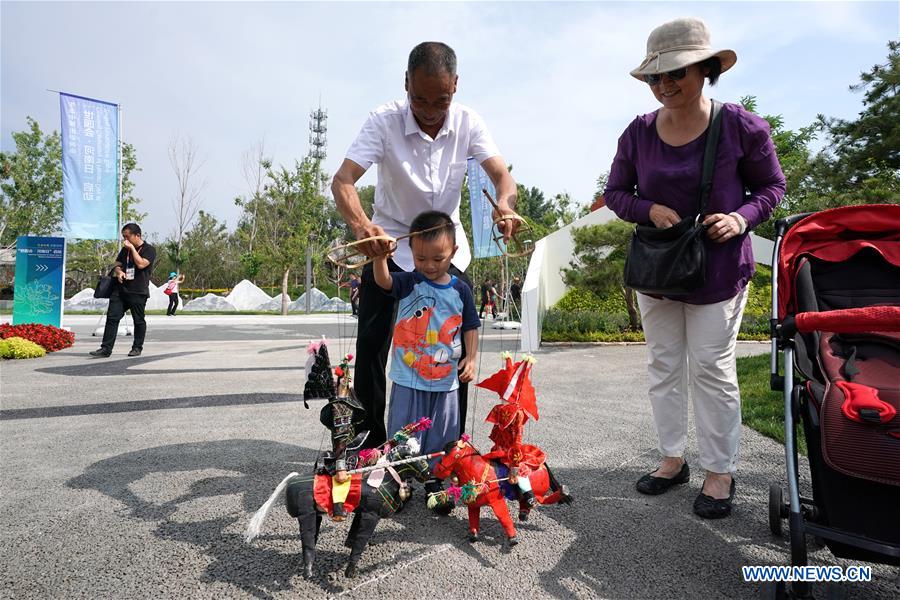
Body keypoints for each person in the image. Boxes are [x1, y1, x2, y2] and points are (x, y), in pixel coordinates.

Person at [604, 17, 785, 518]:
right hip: (659, 268)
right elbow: (616, 193)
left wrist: (741, 217)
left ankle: (720, 470)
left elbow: (772, 187)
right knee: (663, 366)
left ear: (706, 69)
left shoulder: (742, 126)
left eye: (675, 74)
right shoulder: (638, 132)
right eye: (655, 78)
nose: (664, 86)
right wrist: (648, 210)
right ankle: (671, 459)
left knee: (711, 369)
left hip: (718, 270)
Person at [332, 41, 520, 447]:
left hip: (443, 251)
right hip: (389, 247)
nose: (431, 111)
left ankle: (448, 444)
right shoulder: (383, 121)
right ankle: (371, 441)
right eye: (419, 99)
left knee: (452, 347)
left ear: (456, 85)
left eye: (441, 100)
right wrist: (363, 227)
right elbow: (343, 180)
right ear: (405, 85)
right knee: (372, 350)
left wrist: (504, 207)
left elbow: (503, 179)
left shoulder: (469, 123)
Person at [372, 210, 480, 510]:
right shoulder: (409, 282)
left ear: (453, 253)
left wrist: (470, 359)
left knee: (442, 434)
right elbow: (384, 283)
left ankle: (435, 481)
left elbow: (471, 326)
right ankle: (400, 480)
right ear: (411, 253)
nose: (429, 266)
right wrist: (380, 258)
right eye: (420, 258)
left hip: (445, 381)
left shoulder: (461, 291)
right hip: (408, 377)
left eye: (438, 258)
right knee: (403, 430)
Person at [90, 223, 157, 358]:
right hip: (120, 290)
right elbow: (117, 265)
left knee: (138, 320)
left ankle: (137, 348)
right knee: (112, 318)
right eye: (123, 237)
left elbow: (141, 264)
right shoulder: (124, 250)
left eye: (127, 237)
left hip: (138, 291)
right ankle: (106, 349)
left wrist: (132, 248)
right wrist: (119, 272)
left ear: (137, 235)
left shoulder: (149, 249)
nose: (125, 240)